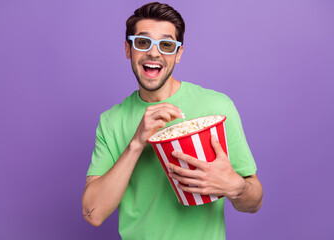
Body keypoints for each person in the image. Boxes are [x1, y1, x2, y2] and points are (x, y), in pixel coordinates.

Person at [82, 2, 263, 239]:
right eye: (143, 42)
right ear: (128, 49)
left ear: (178, 54)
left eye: (166, 45)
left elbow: (253, 203)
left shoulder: (217, 107)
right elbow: (92, 213)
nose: (154, 53)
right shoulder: (111, 121)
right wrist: (136, 143)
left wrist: (236, 187)